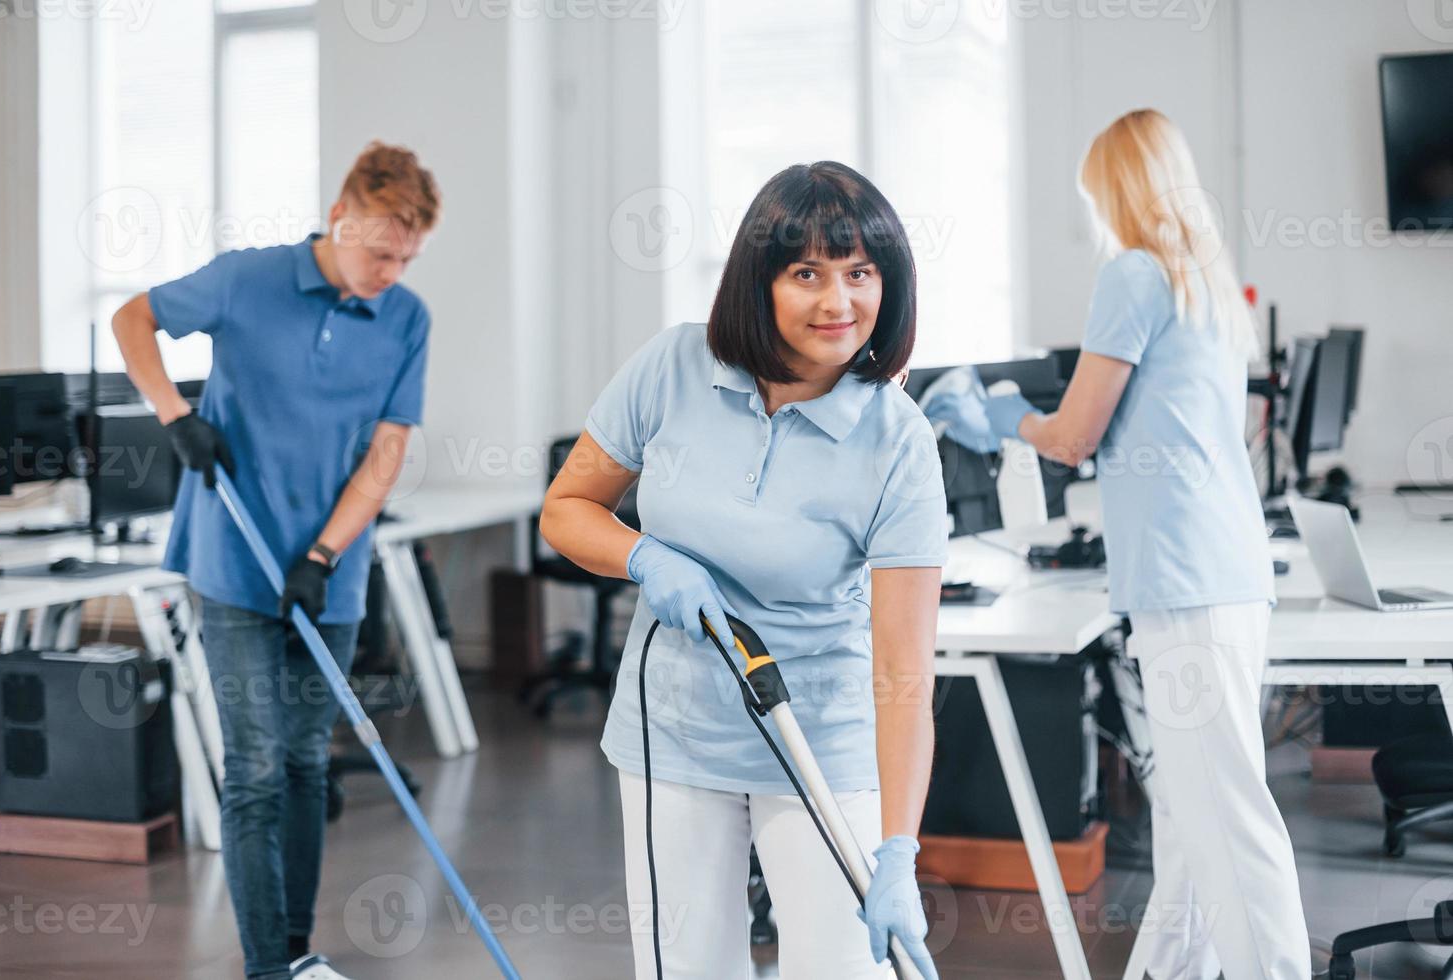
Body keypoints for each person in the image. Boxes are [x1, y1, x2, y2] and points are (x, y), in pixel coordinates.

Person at [540, 161, 948, 979]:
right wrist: (641, 554)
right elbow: (566, 509)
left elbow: (904, 668)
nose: (839, 303)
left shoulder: (898, 441)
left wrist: (899, 850)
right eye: (807, 274)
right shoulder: (671, 368)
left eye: (860, 273)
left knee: (841, 968)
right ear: (757, 283)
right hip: (675, 736)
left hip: (820, 745)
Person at [959, 109, 1310, 979]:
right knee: (1195, 816)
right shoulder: (1206, 286)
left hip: (1187, 584)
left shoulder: (1132, 275)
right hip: (1220, 576)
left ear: (1115, 190)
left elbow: (1076, 435)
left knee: (1223, 814)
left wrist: (1003, 415)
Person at [111, 142, 440, 980]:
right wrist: (174, 414)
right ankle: (268, 969)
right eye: (378, 252)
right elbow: (133, 318)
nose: (389, 272)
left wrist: (326, 555)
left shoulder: (406, 319)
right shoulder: (247, 280)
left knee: (303, 761)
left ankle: (295, 955)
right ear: (340, 218)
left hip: (331, 570)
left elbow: (387, 451)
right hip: (231, 556)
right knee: (254, 767)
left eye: (406, 259)